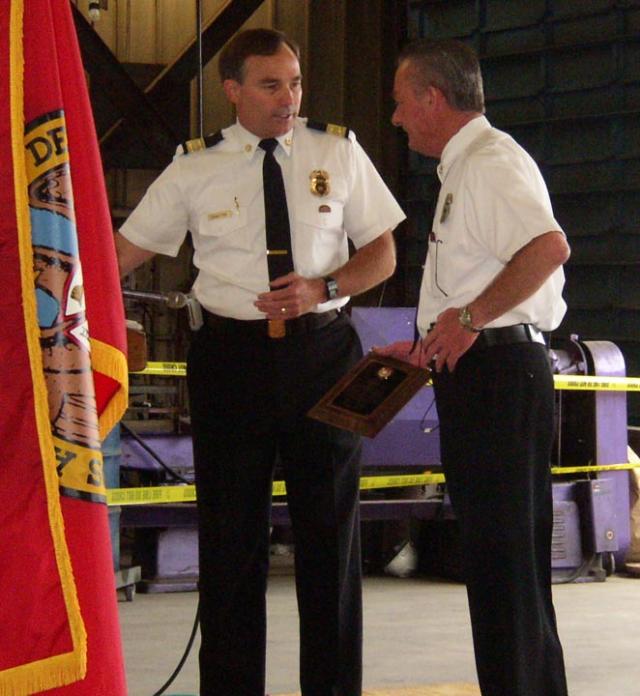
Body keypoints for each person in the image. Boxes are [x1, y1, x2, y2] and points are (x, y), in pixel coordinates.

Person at [115, 28, 405, 696]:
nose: (289, 98)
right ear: (233, 91)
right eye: (272, 85)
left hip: (324, 352)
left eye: (296, 82)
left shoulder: (336, 149)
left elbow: (382, 251)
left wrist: (324, 288)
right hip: (230, 359)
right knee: (230, 541)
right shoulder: (194, 165)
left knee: (331, 539)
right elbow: (123, 250)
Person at [378, 39, 571, 696]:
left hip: (499, 380)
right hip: (482, 377)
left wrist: (469, 318)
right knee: (497, 570)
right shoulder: (465, 169)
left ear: (433, 99)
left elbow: (548, 248)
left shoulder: (489, 163)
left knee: (505, 571)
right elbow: (477, 281)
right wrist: (433, 340)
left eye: (403, 104)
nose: (398, 118)